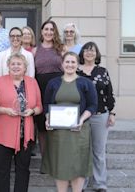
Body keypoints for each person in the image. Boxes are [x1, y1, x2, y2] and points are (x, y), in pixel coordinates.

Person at [41, 52, 98, 192]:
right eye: (67, 62)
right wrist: (48, 119)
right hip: (58, 134)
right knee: (61, 165)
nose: (70, 65)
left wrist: (81, 119)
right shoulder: (53, 83)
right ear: (62, 64)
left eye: (73, 62)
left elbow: (92, 105)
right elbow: (47, 103)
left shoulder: (86, 83)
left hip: (79, 131)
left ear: (77, 64)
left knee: (78, 165)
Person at [0, 53, 43, 192]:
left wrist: (32, 111)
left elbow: (39, 106)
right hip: (2, 135)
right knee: (2, 171)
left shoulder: (32, 82)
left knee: (23, 170)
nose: (16, 66)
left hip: (25, 134)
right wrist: (4, 110)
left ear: (25, 67)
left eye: (19, 64)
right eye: (13, 64)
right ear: (8, 66)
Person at [78, 42, 116, 192]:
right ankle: (82, 183)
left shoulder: (103, 71)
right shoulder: (76, 71)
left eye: (92, 50)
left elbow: (109, 93)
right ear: (82, 54)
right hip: (81, 117)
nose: (89, 53)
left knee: (99, 151)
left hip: (101, 115)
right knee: (83, 151)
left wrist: (112, 113)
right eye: (86, 50)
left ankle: (100, 183)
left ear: (96, 54)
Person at [32, 20, 64, 157]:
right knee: (42, 127)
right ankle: (45, 159)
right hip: (40, 89)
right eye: (46, 29)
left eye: (52, 29)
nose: (49, 32)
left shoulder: (61, 49)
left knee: (57, 125)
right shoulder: (35, 50)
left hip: (58, 89)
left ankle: (57, 158)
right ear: (41, 31)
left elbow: (68, 69)